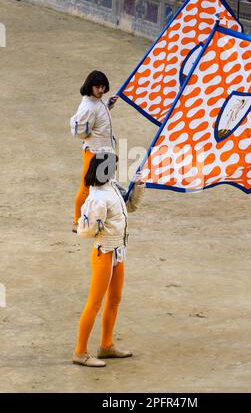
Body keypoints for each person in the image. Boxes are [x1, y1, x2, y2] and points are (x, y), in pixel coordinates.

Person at [72, 154, 145, 367]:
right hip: (104, 253)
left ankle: (106, 345)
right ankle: (80, 352)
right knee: (94, 303)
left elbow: (129, 206)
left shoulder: (112, 187)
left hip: (117, 252)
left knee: (114, 299)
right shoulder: (97, 198)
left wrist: (138, 188)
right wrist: (98, 225)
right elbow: (85, 232)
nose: (113, 172)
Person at [70, 71, 118, 233]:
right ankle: (77, 222)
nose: (101, 90)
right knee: (87, 188)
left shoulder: (97, 102)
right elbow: (81, 132)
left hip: (104, 151)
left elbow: (99, 115)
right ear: (90, 87)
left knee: (105, 187)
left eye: (103, 87)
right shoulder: (89, 107)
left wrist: (109, 105)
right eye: (98, 87)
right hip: (95, 153)